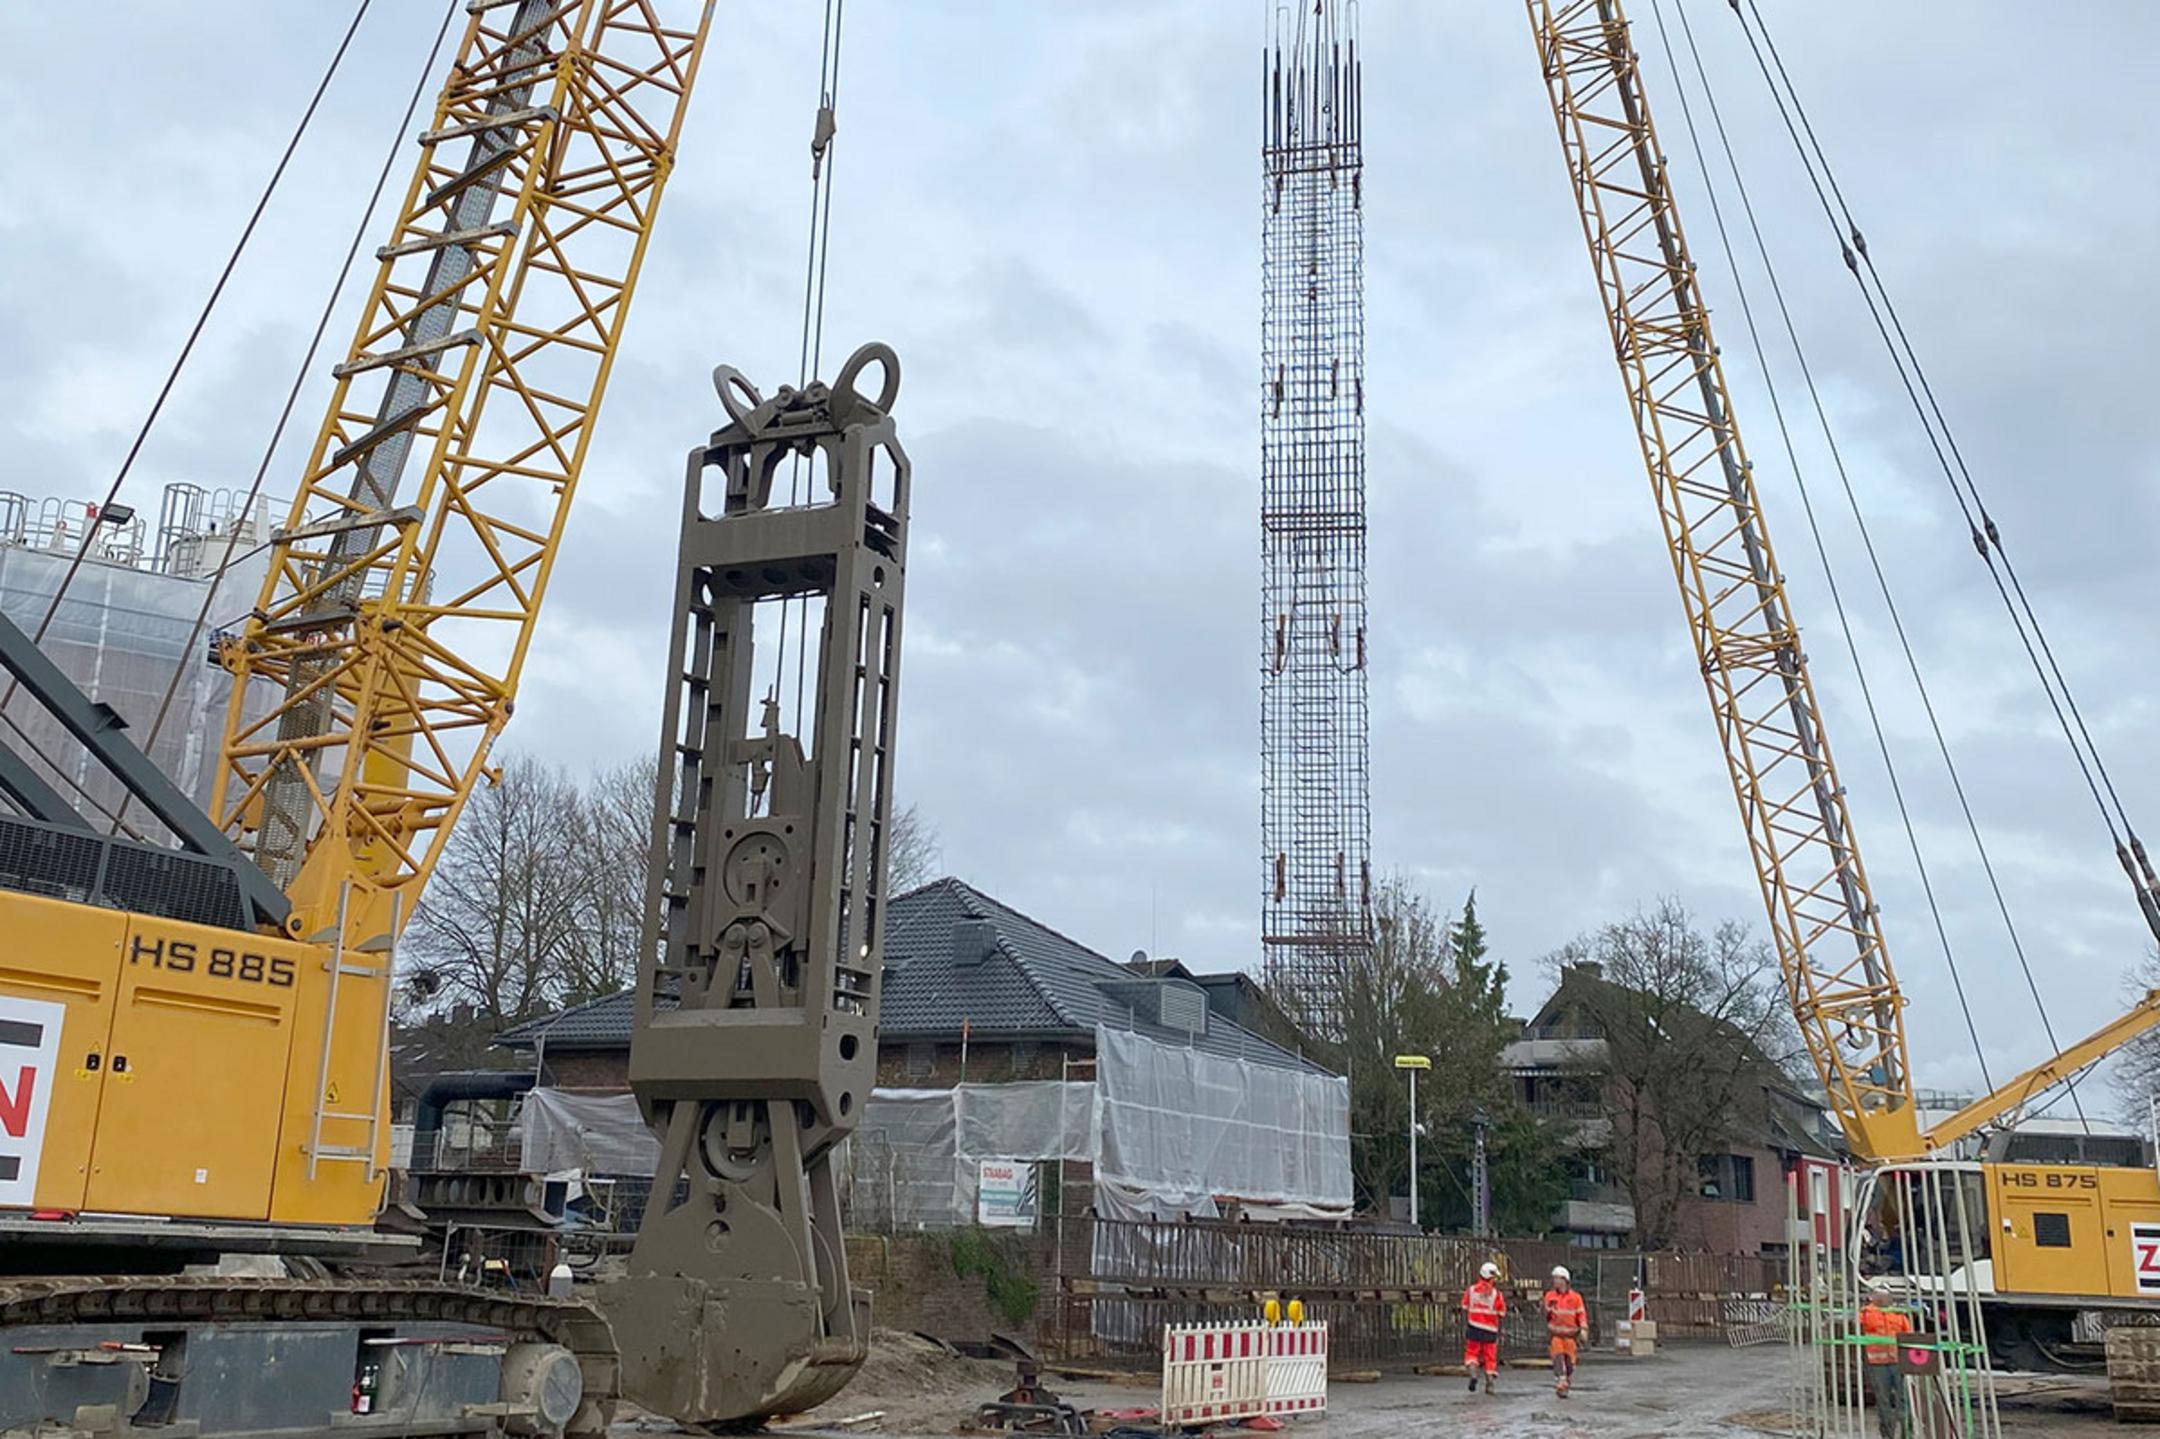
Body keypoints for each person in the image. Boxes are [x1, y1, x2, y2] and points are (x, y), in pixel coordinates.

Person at [1858, 1282, 1913, 1439]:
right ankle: (1888, 1434)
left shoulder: (1898, 1314)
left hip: (1897, 1362)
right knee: (1883, 1401)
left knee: (1904, 1399)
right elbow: (1857, 1330)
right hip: (1877, 1364)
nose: (1882, 1298)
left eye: (1885, 1295)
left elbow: (1908, 1335)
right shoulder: (1865, 1313)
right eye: (1879, 1295)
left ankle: (1906, 1433)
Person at [1461, 1260, 1507, 1394]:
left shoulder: (1471, 1291)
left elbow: (1464, 1306)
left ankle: (1473, 1374)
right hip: (1490, 1330)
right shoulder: (1496, 1294)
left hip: (1474, 1327)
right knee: (1490, 1357)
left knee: (1471, 1354)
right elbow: (1502, 1313)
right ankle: (1490, 1384)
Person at [1543, 1265, 1588, 1397]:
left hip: (1570, 1336)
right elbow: (1545, 1315)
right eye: (1554, 1278)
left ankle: (1566, 1379)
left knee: (1569, 1363)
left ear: (1565, 1280)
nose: (1555, 1281)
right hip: (1556, 1334)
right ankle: (1561, 1382)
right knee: (1558, 1358)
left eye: (1557, 1278)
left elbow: (1581, 1315)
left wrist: (1583, 1329)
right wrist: (1547, 1310)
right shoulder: (1550, 1296)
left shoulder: (1575, 1298)